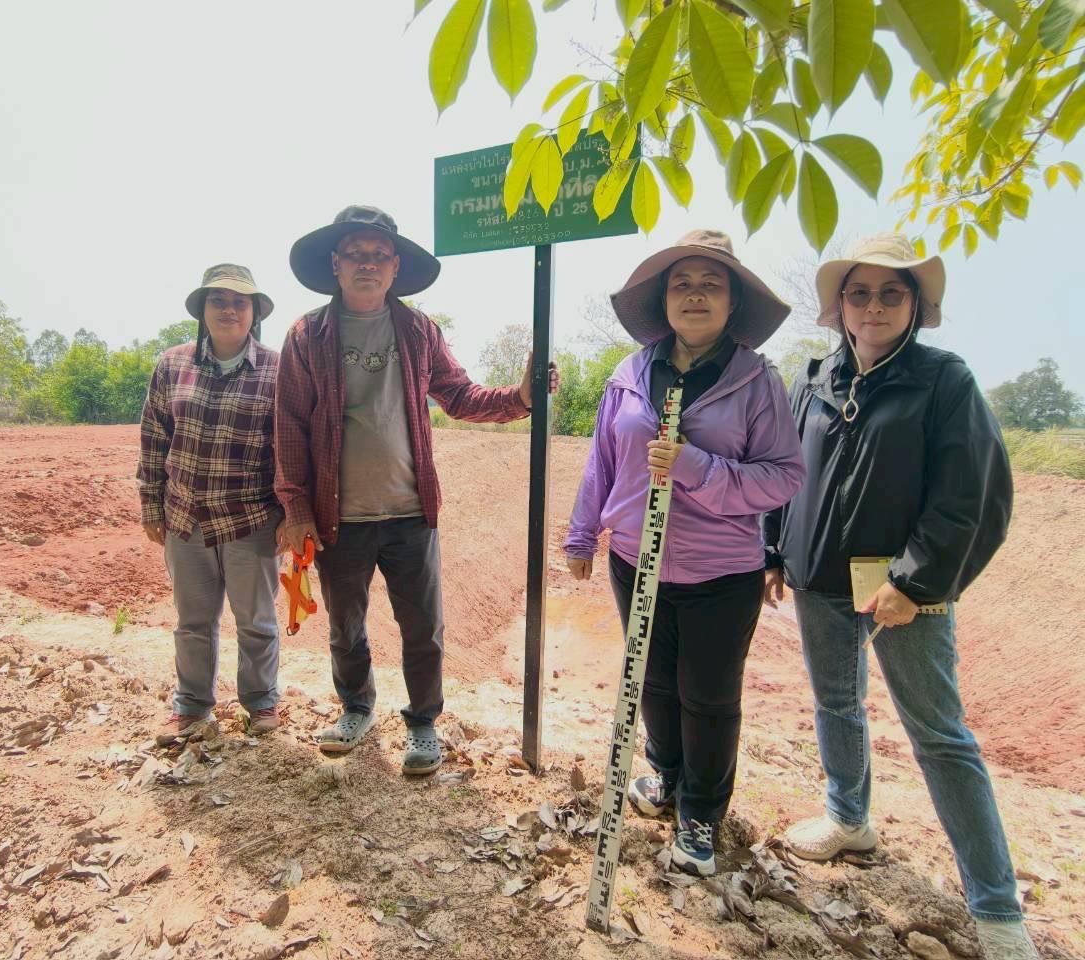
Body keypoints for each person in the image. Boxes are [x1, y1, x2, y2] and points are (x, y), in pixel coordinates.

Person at [763, 234, 1036, 960]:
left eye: (892, 293)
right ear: (840, 307)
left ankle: (998, 911)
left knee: (940, 736)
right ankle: (849, 817)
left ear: (915, 305)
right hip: (819, 575)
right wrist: (773, 547)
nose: (874, 306)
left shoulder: (944, 380)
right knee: (836, 703)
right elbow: (787, 469)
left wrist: (914, 581)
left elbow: (970, 495)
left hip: (901, 587)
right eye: (860, 293)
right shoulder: (814, 376)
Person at [274, 204, 558, 776]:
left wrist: (522, 397)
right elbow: (289, 425)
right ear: (335, 263)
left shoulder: (417, 330)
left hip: (410, 512)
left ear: (395, 267)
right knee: (344, 624)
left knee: (422, 627)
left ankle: (424, 723)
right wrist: (296, 508)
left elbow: (460, 395)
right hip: (338, 518)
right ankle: (356, 709)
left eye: (379, 256)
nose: (367, 264)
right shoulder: (307, 335)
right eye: (356, 253)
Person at [564, 229, 805, 875]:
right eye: (682, 283)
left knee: (709, 694)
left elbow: (783, 475)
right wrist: (583, 531)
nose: (695, 294)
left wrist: (697, 466)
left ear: (732, 303)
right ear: (664, 299)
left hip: (719, 573)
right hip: (634, 558)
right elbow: (603, 461)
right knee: (651, 678)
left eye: (711, 283)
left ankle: (701, 810)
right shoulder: (629, 372)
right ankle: (665, 775)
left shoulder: (757, 381)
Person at [137, 263, 284, 738]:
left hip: (252, 520)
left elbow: (289, 450)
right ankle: (193, 705)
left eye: (239, 302)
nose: (228, 309)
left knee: (256, 621)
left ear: (254, 313)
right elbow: (154, 438)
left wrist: (293, 515)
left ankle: (260, 702)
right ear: (202, 310)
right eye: (218, 300)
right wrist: (152, 505)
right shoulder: (172, 365)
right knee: (193, 621)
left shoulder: (279, 371)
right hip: (186, 520)